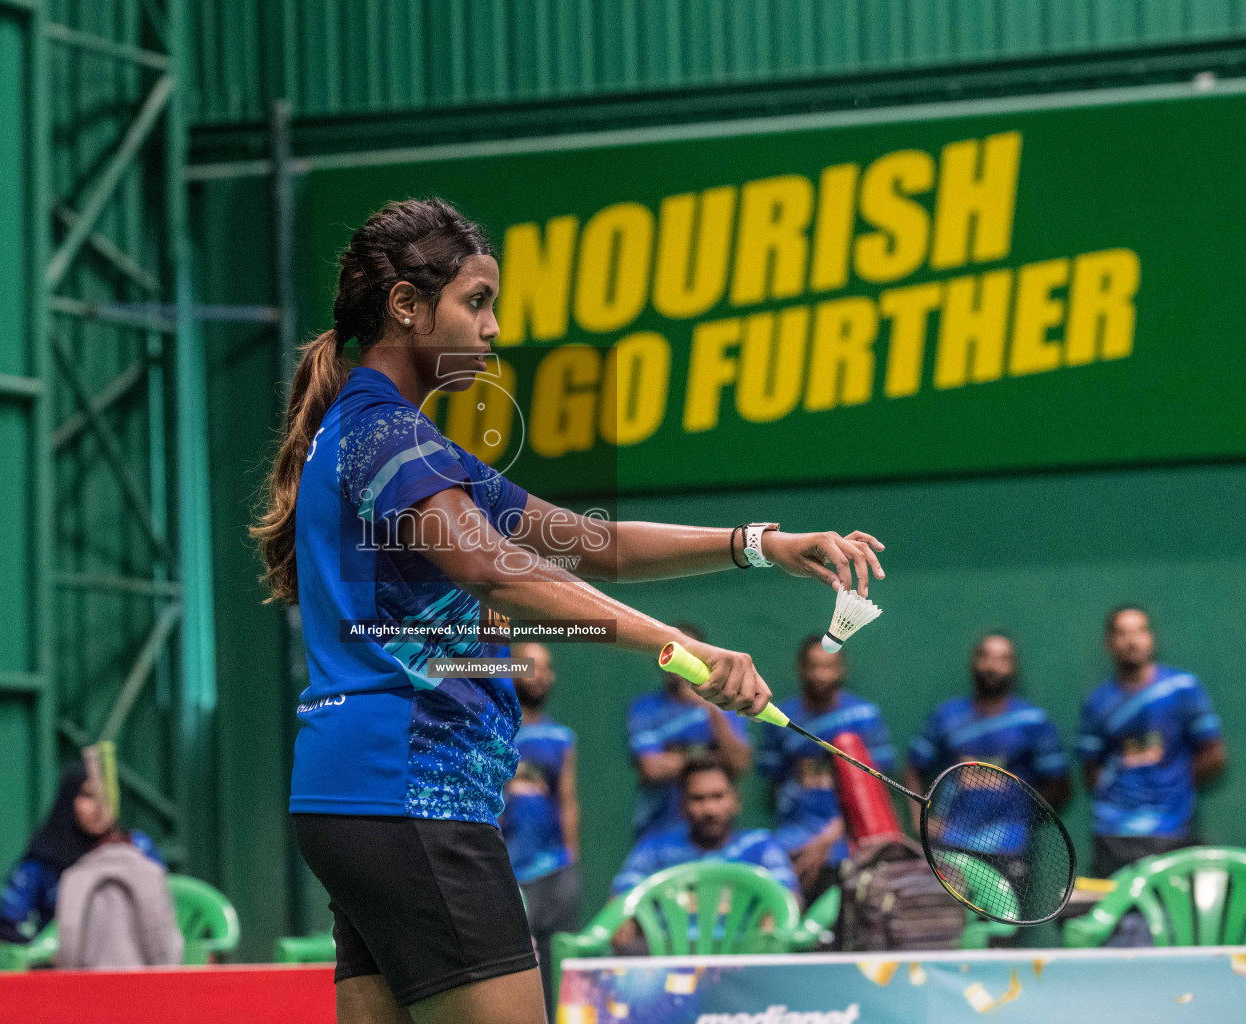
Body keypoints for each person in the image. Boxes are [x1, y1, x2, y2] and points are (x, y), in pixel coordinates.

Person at [250, 197, 884, 1024]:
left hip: (358, 800)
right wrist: (684, 651)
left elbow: (594, 542)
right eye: (476, 302)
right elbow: (493, 571)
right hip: (412, 791)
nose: (494, 327)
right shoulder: (382, 434)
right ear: (407, 306)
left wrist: (760, 542)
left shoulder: (400, 442)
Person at [1079, 606, 1226, 878]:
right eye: (1122, 633)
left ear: (1150, 638)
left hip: (1172, 832)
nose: (1131, 641)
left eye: (1138, 631)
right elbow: (1091, 771)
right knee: (1120, 919)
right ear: (1110, 643)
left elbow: (1213, 755)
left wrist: (1172, 786)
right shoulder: (1097, 702)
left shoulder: (1183, 688)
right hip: (1114, 835)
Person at [757, 636, 894, 905]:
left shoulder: (864, 716)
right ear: (800, 668)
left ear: (842, 669)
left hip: (851, 840)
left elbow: (875, 790)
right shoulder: (778, 717)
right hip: (794, 840)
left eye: (829, 666)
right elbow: (775, 782)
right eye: (813, 666)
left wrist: (828, 839)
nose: (820, 675)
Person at [0, 762, 164, 945]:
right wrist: (43, 951)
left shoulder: (137, 848)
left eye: (106, 794)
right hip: (63, 966)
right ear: (69, 799)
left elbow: (165, 913)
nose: (99, 806)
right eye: (88, 795)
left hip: (132, 962)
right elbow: (8, 923)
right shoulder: (45, 857)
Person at [498, 642, 578, 1017]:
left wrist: (571, 862)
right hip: (502, 869)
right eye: (531, 665)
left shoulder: (561, 737)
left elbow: (567, 800)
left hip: (551, 868)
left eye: (547, 667)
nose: (540, 674)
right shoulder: (491, 733)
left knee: (552, 961)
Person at [905, 634, 1070, 809]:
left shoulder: (1034, 721)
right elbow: (914, 768)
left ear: (1014, 667)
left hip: (1012, 833)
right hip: (950, 833)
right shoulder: (946, 715)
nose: (992, 667)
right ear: (973, 662)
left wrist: (1021, 817)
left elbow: (1058, 783)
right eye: (985, 656)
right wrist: (919, 820)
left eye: (1002, 659)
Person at [626, 622, 751, 841]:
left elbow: (739, 762)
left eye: (690, 652)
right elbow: (651, 768)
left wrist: (709, 705)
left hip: (714, 835)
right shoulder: (644, 709)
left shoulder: (724, 706)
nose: (681, 659)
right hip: (658, 831)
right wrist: (710, 758)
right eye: (673, 650)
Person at [612, 757, 799, 898]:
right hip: (672, 948)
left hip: (745, 948)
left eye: (717, 797)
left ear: (736, 800)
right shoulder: (655, 849)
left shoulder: (761, 846)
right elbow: (620, 901)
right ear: (682, 805)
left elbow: (789, 898)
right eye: (698, 799)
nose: (709, 809)